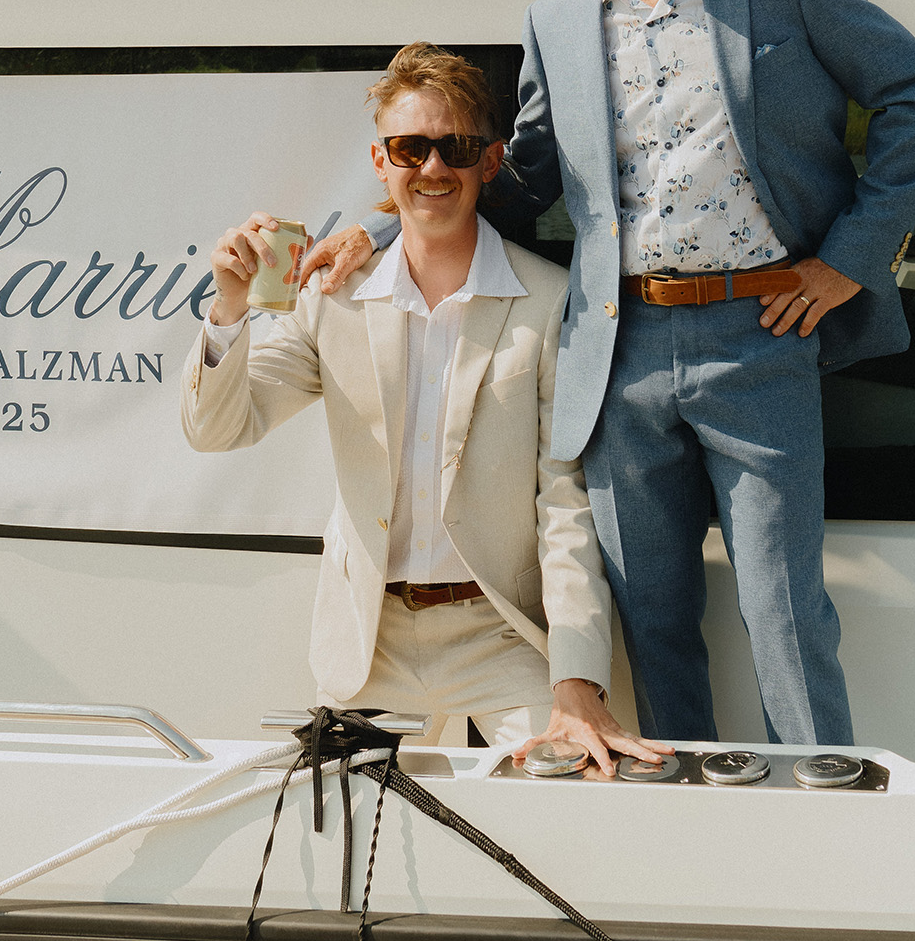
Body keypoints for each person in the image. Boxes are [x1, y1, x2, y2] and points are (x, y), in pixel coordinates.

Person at [298, 0, 915, 746]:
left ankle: (819, 808)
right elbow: (513, 181)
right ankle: (681, 809)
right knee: (648, 614)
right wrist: (386, 232)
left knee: (780, 606)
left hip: (762, 334)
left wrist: (846, 261)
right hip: (617, 350)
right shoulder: (555, 21)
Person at [184, 45, 664, 774]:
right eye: (410, 148)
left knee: (573, 791)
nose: (432, 169)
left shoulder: (547, 302)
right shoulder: (330, 300)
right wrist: (227, 306)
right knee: (346, 843)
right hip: (369, 641)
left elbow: (564, 504)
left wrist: (575, 680)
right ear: (381, 162)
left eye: (454, 148)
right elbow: (218, 428)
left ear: (489, 161)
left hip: (501, 635)